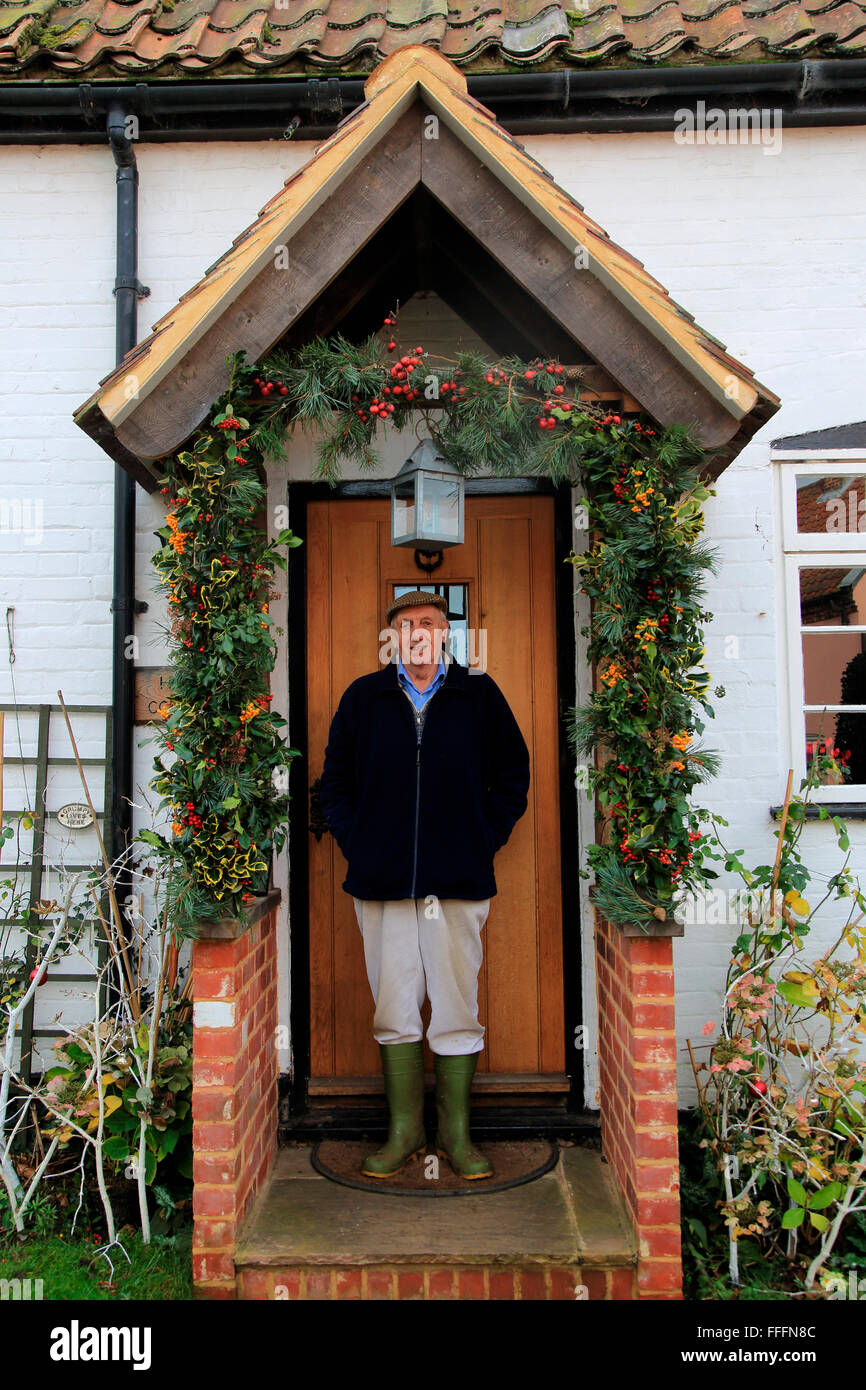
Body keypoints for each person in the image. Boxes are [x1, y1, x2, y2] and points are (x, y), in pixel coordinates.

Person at [318, 589, 531, 1180]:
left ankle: (456, 1138)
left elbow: (514, 774)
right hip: (381, 880)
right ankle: (405, 1133)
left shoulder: (478, 695)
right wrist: (356, 840)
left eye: (431, 623)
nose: (418, 632)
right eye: (406, 624)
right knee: (393, 1001)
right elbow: (333, 782)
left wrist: (482, 838)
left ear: (446, 634)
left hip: (457, 882)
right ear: (390, 637)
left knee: (457, 1001)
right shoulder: (364, 698)